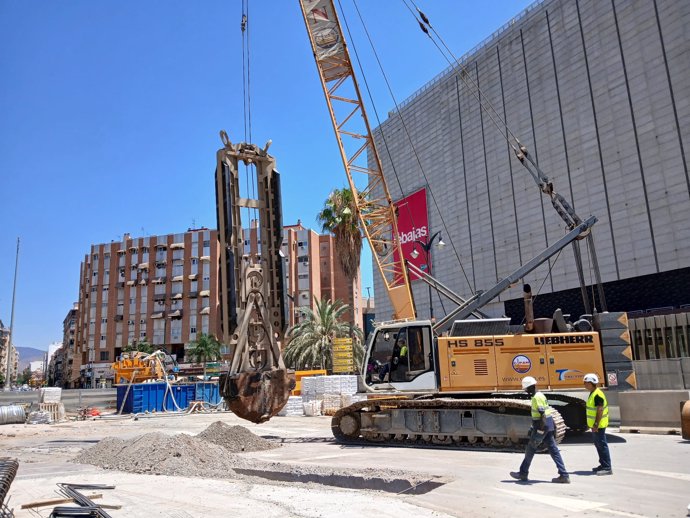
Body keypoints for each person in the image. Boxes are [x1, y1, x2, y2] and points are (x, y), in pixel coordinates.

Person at [510, 376, 570, 483]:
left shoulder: (536, 397)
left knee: (530, 449)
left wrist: (540, 430)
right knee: (553, 450)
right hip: (548, 424)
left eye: (526, 388)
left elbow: (542, 415)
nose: (526, 391)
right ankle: (564, 475)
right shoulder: (540, 395)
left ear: (530, 387)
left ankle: (523, 473)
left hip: (542, 426)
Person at [584, 373, 612, 475]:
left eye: (586, 382)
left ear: (592, 383)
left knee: (602, 445)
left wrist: (596, 424)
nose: (585, 384)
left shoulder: (598, 394)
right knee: (598, 445)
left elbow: (600, 410)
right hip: (595, 425)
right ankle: (603, 464)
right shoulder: (593, 393)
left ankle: (607, 467)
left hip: (599, 425)